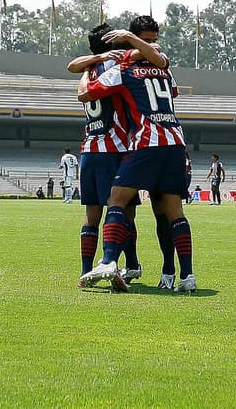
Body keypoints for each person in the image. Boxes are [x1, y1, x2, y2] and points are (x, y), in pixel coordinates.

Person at [79, 17, 196, 293]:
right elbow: (173, 91)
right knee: (171, 211)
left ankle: (109, 261)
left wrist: (89, 68)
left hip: (147, 142)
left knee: (117, 199)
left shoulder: (123, 68)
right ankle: (183, 275)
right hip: (176, 141)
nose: (153, 44)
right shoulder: (163, 66)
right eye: (148, 39)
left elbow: (86, 94)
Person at [66, 23, 148, 286]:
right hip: (116, 149)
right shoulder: (116, 68)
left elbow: (72, 66)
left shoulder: (88, 70)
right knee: (124, 211)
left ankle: (86, 270)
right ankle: (128, 264)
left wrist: (96, 57)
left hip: (89, 150)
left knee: (91, 216)